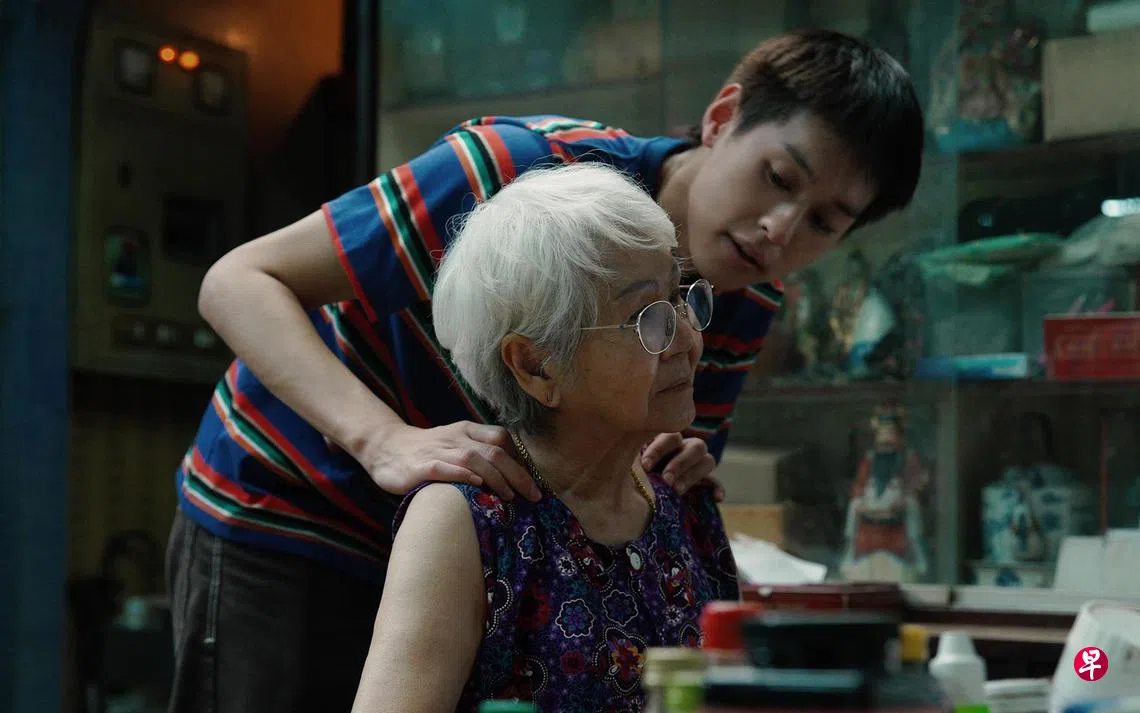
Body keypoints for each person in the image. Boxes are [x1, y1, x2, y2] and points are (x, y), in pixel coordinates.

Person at [165, 28, 924, 713]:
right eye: (780, 177)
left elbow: (660, 453)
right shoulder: (515, 169)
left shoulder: (745, 288)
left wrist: (678, 458)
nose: (780, 229)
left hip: (477, 536)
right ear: (724, 117)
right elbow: (238, 280)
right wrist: (381, 439)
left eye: (824, 220)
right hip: (299, 501)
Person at [353, 161, 735, 713]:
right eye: (647, 316)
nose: (686, 339)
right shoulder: (465, 522)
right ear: (536, 366)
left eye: (679, 296)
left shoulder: (681, 492)